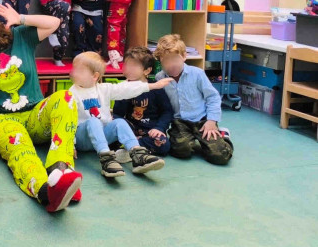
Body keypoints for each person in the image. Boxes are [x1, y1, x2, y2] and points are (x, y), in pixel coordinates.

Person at [0, 4, 82, 213]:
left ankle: (62, 172)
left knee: (65, 97)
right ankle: (46, 192)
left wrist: (21, 18)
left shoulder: (19, 36)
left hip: (34, 115)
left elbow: (55, 23)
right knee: (19, 144)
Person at [69, 51, 173, 178]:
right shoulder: (71, 94)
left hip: (103, 136)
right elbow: (67, 121)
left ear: (95, 76)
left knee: (119, 122)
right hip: (83, 139)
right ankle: (106, 159)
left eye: (80, 71)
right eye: (74, 69)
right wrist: (70, 144)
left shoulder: (104, 89)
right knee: (93, 120)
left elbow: (125, 89)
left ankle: (137, 154)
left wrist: (152, 86)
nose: (73, 73)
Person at [154, 34, 234, 165]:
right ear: (160, 61)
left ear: (184, 56)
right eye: (166, 61)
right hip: (179, 122)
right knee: (181, 150)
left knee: (220, 156)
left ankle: (223, 136)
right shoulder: (159, 78)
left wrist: (211, 121)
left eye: (175, 59)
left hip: (202, 120)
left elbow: (213, 97)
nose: (171, 65)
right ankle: (191, 140)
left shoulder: (197, 74)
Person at [112, 46, 174, 159]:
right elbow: (117, 114)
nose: (128, 69)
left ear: (147, 70)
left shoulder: (156, 88)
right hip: (130, 129)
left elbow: (167, 111)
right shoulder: (122, 88)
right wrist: (123, 93)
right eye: (126, 65)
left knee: (164, 144)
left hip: (150, 130)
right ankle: (133, 147)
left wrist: (159, 128)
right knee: (113, 128)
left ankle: (130, 148)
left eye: (134, 66)